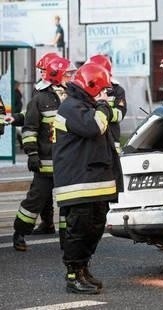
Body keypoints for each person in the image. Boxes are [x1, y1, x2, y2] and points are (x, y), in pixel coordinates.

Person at [52, 62, 122, 294]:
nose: (104, 94)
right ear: (92, 86)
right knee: (79, 230)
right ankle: (73, 275)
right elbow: (93, 127)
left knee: (95, 227)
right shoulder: (71, 107)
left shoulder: (84, 105)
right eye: (102, 89)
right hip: (78, 182)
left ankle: (82, 268)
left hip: (94, 181)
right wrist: (103, 106)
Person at [12, 57, 71, 251]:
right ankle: (19, 233)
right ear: (57, 76)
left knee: (67, 202)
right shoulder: (40, 99)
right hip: (45, 161)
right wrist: (32, 154)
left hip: (67, 162)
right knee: (36, 199)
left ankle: (66, 237)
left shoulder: (72, 96)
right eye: (68, 73)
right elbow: (30, 129)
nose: (71, 76)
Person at [87, 54, 127, 154]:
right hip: (92, 138)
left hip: (111, 139)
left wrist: (102, 111)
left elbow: (120, 114)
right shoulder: (87, 88)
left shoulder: (117, 90)